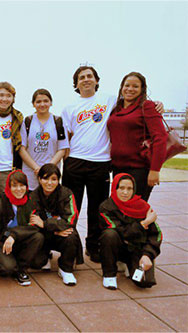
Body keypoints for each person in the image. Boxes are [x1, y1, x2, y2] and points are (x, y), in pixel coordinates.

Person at [61, 65, 163, 264]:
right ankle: (71, 247)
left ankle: (94, 246)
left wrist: (157, 103)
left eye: (90, 76)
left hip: (100, 163)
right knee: (72, 208)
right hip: (75, 161)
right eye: (82, 77)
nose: (86, 79)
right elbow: (68, 137)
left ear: (97, 80)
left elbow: (138, 103)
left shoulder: (110, 101)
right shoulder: (69, 108)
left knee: (98, 209)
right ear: (76, 83)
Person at [107, 72, 167, 201]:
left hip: (139, 169)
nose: (130, 89)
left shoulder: (147, 106)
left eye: (135, 86)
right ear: (121, 87)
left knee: (135, 210)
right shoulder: (116, 108)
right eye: (127, 85)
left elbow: (160, 138)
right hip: (118, 168)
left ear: (142, 89)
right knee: (120, 210)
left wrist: (155, 170)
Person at [99, 173, 162, 289]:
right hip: (118, 247)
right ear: (115, 188)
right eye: (121, 188)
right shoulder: (106, 207)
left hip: (137, 248)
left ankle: (130, 264)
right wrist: (144, 223)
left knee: (145, 282)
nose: (125, 192)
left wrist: (148, 254)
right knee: (109, 234)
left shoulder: (143, 207)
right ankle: (109, 274)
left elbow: (156, 234)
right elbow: (122, 232)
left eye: (129, 189)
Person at [0, 170, 44, 286]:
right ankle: (8, 263)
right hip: (1, 243)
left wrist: (14, 235)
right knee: (7, 269)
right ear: (8, 187)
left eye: (22, 185)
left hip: (18, 240)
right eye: (14, 186)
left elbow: (34, 227)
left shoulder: (31, 202)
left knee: (38, 238)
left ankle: (21, 269)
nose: (19, 189)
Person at [30, 164, 83, 286]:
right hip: (44, 235)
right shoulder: (33, 196)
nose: (49, 183)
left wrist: (45, 224)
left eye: (53, 179)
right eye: (45, 178)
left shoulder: (66, 194)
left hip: (60, 233)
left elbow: (70, 220)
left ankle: (65, 268)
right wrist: (54, 230)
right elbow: (33, 222)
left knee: (70, 234)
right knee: (37, 263)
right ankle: (45, 255)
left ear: (58, 180)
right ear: (39, 179)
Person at [20, 89, 69, 191]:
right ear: (33, 104)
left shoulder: (58, 121)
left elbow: (62, 148)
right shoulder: (27, 121)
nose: (42, 104)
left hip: (51, 173)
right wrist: (36, 168)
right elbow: (21, 148)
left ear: (51, 102)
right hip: (31, 173)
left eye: (46, 101)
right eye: (38, 101)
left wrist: (48, 168)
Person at [0, 82, 24, 202]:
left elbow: (21, 145)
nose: (4, 99)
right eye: (1, 95)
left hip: (8, 168)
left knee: (5, 203)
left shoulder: (18, 118)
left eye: (8, 96)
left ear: (13, 99)